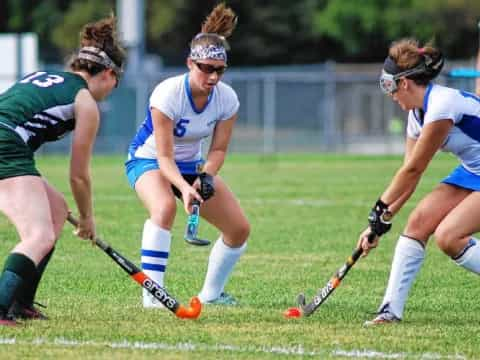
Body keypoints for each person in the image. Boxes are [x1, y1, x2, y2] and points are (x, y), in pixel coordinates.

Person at [0, 16, 125, 326]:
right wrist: (88, 219)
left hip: (9, 144)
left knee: (56, 211)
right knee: (39, 235)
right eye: (115, 84)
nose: (111, 91)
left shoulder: (44, 75)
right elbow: (79, 175)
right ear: (108, 74)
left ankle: (20, 302)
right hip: (6, 145)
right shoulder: (85, 101)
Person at [125, 3, 250, 308]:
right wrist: (184, 188)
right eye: (205, 68)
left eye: (219, 70)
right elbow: (165, 157)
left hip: (190, 165)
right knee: (165, 208)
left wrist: (206, 175)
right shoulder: (168, 94)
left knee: (239, 229)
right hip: (149, 159)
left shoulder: (227, 99)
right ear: (190, 63)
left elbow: (218, 149)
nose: (212, 77)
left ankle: (212, 294)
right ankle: (153, 297)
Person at [358, 38, 480, 326]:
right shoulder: (417, 114)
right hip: (473, 170)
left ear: (404, 83)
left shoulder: (441, 107)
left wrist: (378, 209)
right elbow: (408, 176)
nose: (389, 95)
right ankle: (389, 312)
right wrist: (378, 224)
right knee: (418, 224)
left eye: (388, 86)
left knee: (449, 236)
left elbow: (414, 169)